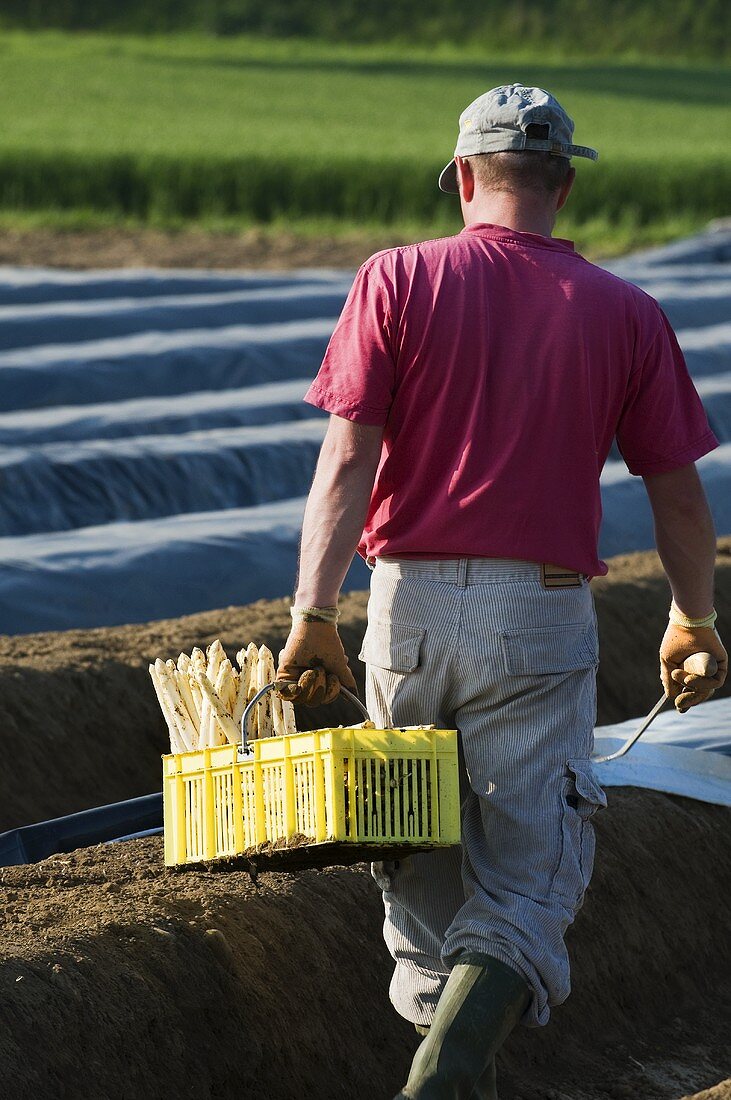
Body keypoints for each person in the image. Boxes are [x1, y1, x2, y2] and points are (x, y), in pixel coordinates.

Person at [275, 84, 728, 1099]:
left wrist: (311, 614)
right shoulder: (623, 311)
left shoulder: (393, 279)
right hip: (537, 614)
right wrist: (689, 618)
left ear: (463, 179)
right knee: (528, 876)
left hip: (405, 612)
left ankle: (442, 1067)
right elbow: (678, 500)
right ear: (562, 188)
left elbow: (346, 460)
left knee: (426, 873)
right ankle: (438, 1078)